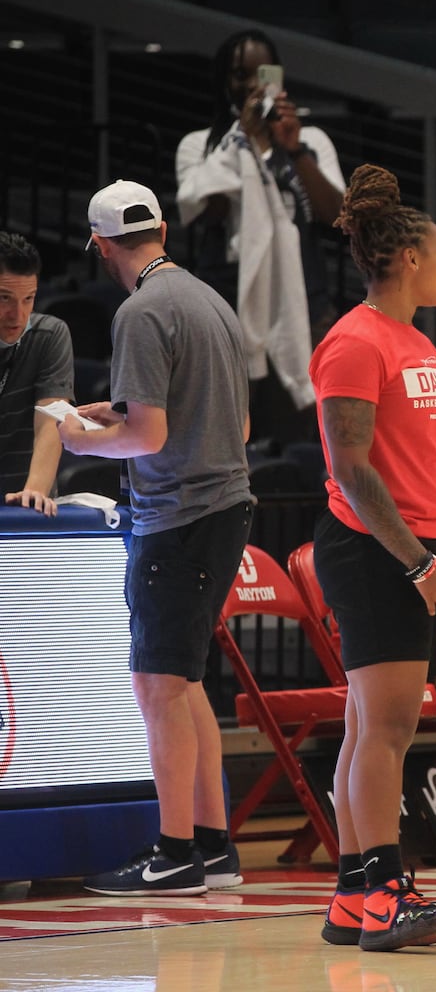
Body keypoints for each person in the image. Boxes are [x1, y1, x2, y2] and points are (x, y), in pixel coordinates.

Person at [66, 181, 254, 896]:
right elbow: (230, 425)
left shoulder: (142, 311)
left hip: (178, 517)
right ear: (164, 230)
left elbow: (147, 436)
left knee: (157, 687)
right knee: (185, 681)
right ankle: (212, 846)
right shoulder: (210, 301)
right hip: (223, 507)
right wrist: (111, 411)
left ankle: (175, 854)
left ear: (101, 244)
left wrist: (80, 433)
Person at [307, 164, 436, 952]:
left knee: (366, 727)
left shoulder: (418, 344)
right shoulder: (353, 341)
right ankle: (386, 891)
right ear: (409, 259)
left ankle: (350, 898)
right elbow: (353, 468)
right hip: (375, 554)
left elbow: (432, 466)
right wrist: (417, 563)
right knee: (388, 730)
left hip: (421, 550)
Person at [175, 28, 345, 442]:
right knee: (234, 433)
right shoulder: (199, 146)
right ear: (223, 81)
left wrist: (294, 149)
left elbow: (337, 214)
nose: (252, 84)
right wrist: (242, 141)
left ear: (278, 76)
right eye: (239, 74)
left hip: (306, 304)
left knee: (312, 434)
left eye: (261, 73)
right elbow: (204, 213)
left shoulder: (312, 139)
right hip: (228, 306)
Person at [0, 232, 73, 515]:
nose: (17, 315)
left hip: (25, 507)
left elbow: (52, 415)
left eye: (28, 298)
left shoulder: (49, 335)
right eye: (4, 299)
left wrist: (35, 493)